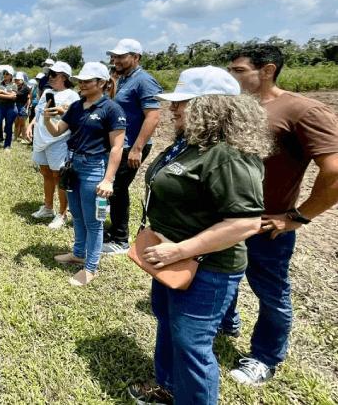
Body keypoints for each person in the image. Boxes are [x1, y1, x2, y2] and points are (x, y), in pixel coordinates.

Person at [128, 66, 270, 405]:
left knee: (192, 344)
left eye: (183, 102)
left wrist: (180, 250)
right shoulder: (189, 144)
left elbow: (245, 223)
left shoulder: (228, 155)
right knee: (168, 324)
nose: (174, 109)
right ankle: (168, 387)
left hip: (206, 268)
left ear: (211, 106)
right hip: (169, 256)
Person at [220, 45, 338, 385]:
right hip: (225, 219)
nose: (233, 76)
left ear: (268, 70)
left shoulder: (303, 110)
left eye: (239, 70)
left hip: (266, 225)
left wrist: (296, 217)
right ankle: (226, 323)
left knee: (271, 292)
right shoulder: (239, 107)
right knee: (222, 276)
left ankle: (265, 356)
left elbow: (333, 173)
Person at [44, 63, 126, 286]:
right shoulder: (76, 106)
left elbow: (117, 147)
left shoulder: (111, 109)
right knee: (77, 215)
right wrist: (45, 119)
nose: (82, 84)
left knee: (93, 222)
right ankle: (78, 253)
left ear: (101, 83)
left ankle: (90, 267)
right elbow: (57, 131)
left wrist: (108, 179)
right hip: (73, 165)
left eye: (87, 81)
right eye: (80, 80)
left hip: (94, 168)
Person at [103, 38, 162, 254]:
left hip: (132, 146)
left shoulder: (144, 81)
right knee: (114, 190)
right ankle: (114, 230)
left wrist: (137, 148)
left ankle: (120, 239)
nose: (115, 60)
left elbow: (153, 116)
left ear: (135, 57)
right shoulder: (124, 79)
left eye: (120, 56)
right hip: (121, 144)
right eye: (114, 56)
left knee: (117, 189)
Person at [27, 61, 80, 229]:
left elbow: (75, 117)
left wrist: (63, 110)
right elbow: (40, 111)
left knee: (59, 176)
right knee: (45, 172)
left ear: (64, 77)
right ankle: (48, 207)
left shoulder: (72, 95)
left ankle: (62, 213)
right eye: (49, 74)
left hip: (58, 140)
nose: (49, 78)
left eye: (53, 75)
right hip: (41, 139)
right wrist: (31, 124)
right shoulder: (47, 92)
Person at [14, 71, 31, 142]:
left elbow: (18, 94)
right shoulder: (15, 86)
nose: (17, 81)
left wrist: (27, 108)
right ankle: (15, 138)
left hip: (22, 106)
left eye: (18, 80)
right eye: (16, 80)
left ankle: (24, 138)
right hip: (15, 105)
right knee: (16, 123)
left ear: (22, 80)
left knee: (22, 123)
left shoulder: (26, 88)